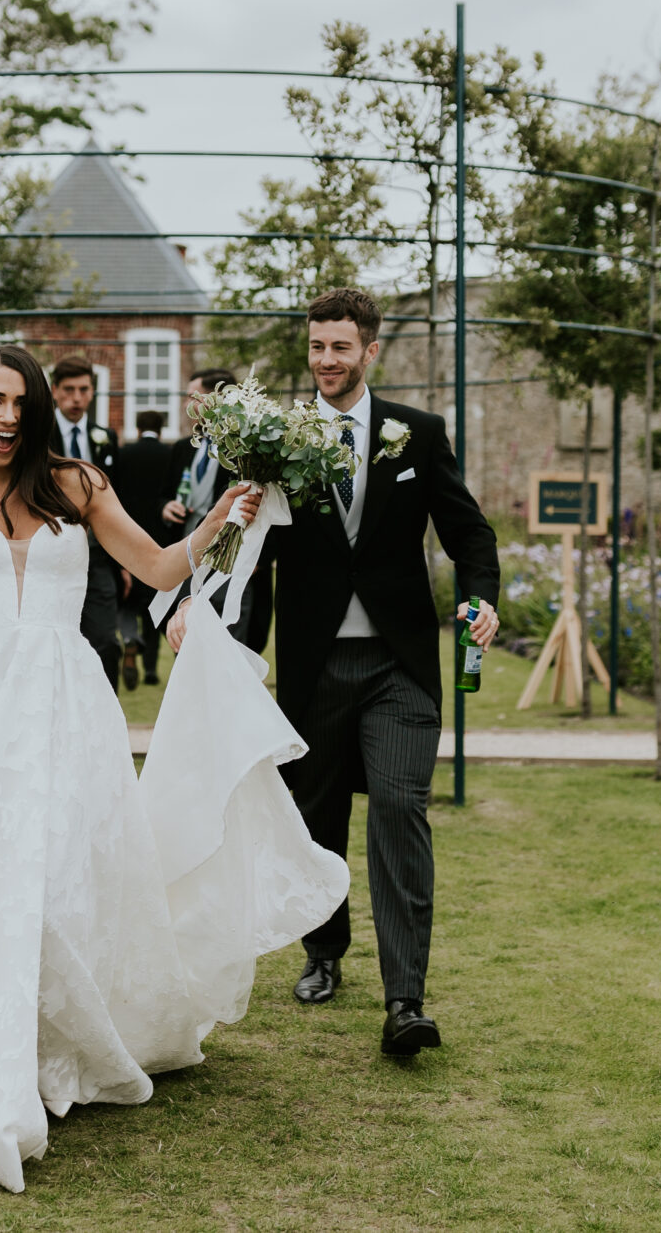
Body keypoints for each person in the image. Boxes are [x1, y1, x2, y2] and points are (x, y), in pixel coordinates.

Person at [0, 338, 346, 1193]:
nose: (6, 417)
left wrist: (223, 520)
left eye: (20, 404)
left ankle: (52, 1037)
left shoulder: (78, 484)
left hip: (65, 704)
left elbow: (156, 566)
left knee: (62, 869)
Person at [169, 286, 499, 1058]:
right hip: (316, 666)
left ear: (370, 349)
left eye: (340, 347)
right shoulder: (276, 437)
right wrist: (200, 603)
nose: (326, 361)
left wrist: (480, 596)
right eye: (316, 346)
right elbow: (242, 538)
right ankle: (325, 951)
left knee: (396, 805)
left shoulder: (417, 435)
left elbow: (467, 529)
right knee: (315, 817)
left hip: (400, 665)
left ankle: (405, 998)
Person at [163, 366, 271, 653]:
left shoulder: (247, 448)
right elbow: (163, 494)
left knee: (229, 649)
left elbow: (269, 504)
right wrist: (167, 507)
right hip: (188, 561)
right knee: (186, 646)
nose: (187, 405)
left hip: (231, 565)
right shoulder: (182, 449)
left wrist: (256, 560)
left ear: (217, 400)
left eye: (192, 397)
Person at [47, 356, 123, 691]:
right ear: (54, 391)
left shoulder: (105, 436)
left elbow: (117, 503)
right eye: (69, 390)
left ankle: (105, 720)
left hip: (99, 558)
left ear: (92, 392)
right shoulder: (39, 437)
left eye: (84, 389)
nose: (76, 397)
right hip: (50, 556)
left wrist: (123, 562)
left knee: (106, 640)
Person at [111, 408, 187, 685]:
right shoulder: (170, 455)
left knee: (128, 602)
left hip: (126, 537)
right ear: (162, 428)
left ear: (138, 427)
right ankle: (152, 670)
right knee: (155, 607)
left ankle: (130, 640)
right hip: (161, 539)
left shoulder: (123, 454)